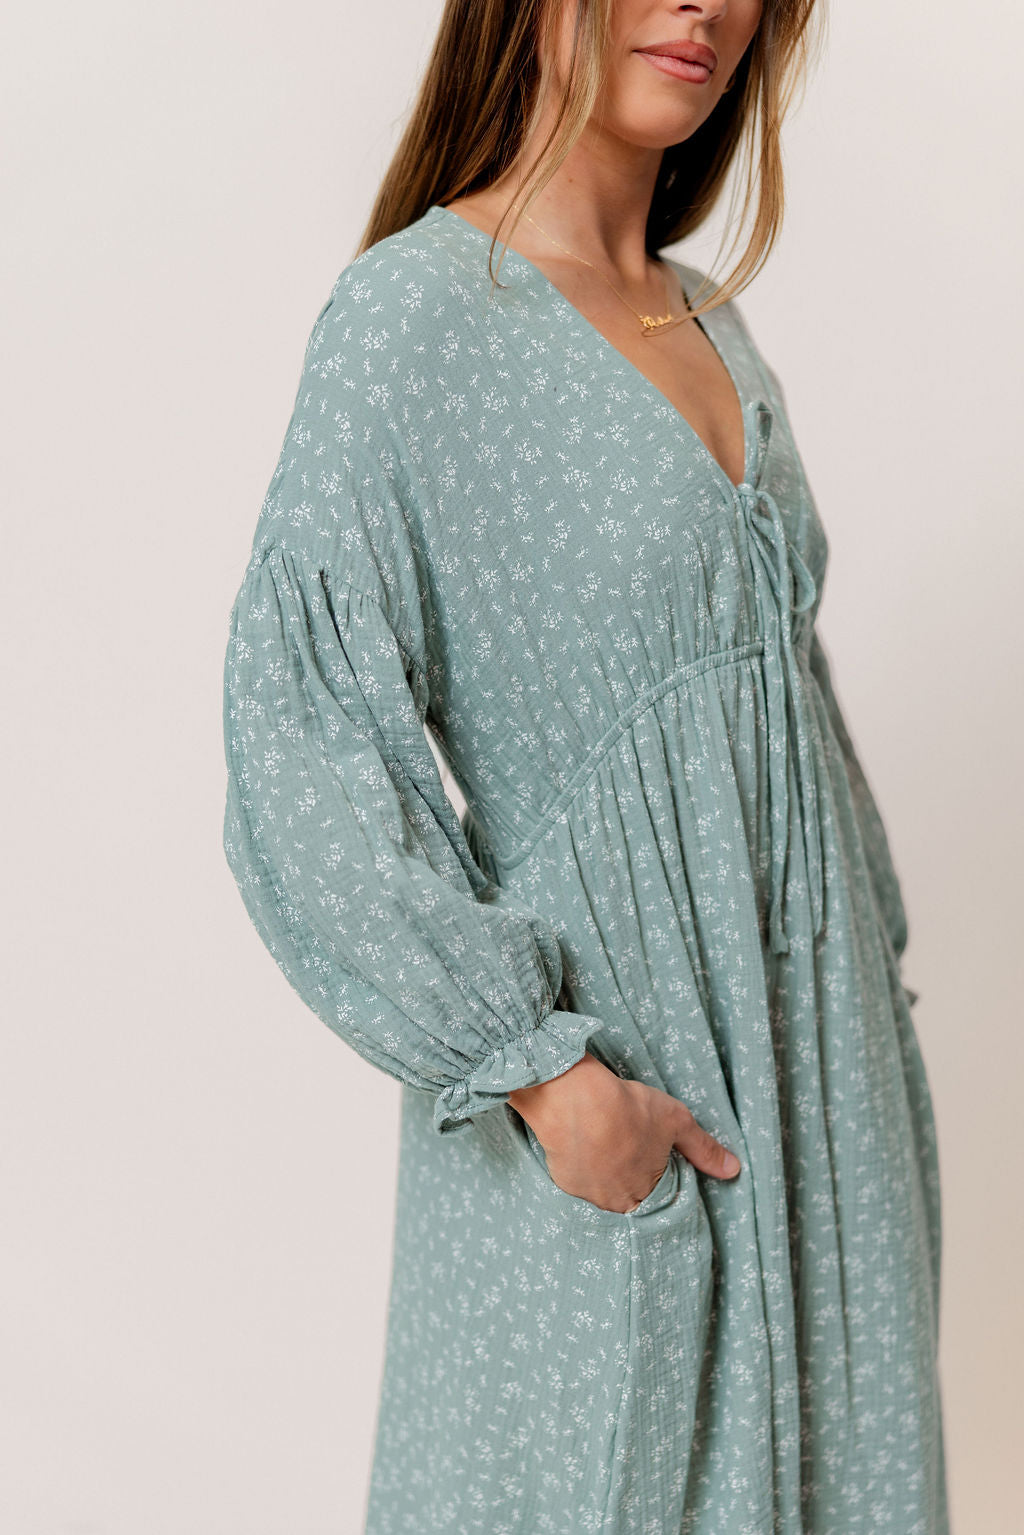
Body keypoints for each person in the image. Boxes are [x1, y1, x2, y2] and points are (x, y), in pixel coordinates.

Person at [221, 0, 949, 1529]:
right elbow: (300, 739)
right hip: (627, 1098)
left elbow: (780, 715)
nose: (709, 6)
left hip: (823, 1106)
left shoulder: (709, 319)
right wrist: (548, 1076)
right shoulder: (416, 319)